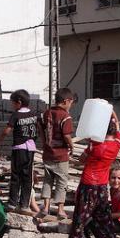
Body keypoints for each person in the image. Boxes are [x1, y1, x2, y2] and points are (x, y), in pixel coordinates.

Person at [67, 112, 120, 238]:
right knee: (104, 216)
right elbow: (117, 124)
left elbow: (81, 160)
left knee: (80, 216)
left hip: (88, 184)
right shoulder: (117, 144)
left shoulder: (94, 145)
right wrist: (111, 110)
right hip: (102, 186)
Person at [0, 89, 39, 211]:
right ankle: (24, 204)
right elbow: (40, 128)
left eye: (13, 103)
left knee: (16, 176)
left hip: (19, 149)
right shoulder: (34, 114)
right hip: (30, 150)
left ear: (19, 102)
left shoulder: (16, 115)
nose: (12, 106)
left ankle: (12, 203)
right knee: (27, 177)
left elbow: (6, 131)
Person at [39, 87, 75, 219]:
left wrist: (44, 145)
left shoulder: (47, 113)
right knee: (61, 182)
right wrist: (72, 146)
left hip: (48, 154)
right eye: (70, 102)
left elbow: (41, 131)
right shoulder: (66, 116)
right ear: (66, 101)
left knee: (48, 181)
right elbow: (66, 135)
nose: (70, 106)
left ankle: (46, 206)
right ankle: (60, 209)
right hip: (61, 155)